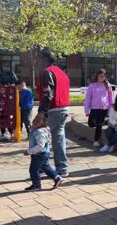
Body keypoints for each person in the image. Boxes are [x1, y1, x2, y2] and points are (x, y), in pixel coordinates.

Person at [37, 48, 70, 177]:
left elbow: (47, 94)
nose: (38, 61)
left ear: (46, 59)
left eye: (40, 59)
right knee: (58, 139)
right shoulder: (62, 72)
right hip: (63, 108)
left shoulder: (47, 72)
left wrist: (42, 111)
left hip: (52, 109)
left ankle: (42, 167)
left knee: (42, 138)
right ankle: (62, 168)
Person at [23, 113, 64, 191]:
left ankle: (36, 185)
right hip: (44, 153)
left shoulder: (40, 133)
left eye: (38, 121)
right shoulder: (40, 130)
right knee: (45, 167)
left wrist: (29, 151)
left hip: (39, 154)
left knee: (33, 170)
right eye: (34, 119)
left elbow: (40, 146)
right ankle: (57, 178)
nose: (34, 122)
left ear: (43, 123)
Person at [84, 69, 113, 147]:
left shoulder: (107, 85)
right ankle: (105, 122)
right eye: (100, 76)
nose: (102, 78)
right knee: (91, 123)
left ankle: (96, 141)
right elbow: (88, 98)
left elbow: (110, 99)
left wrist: (110, 110)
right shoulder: (92, 85)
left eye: (103, 76)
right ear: (97, 76)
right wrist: (87, 110)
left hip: (104, 109)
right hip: (94, 109)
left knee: (99, 125)